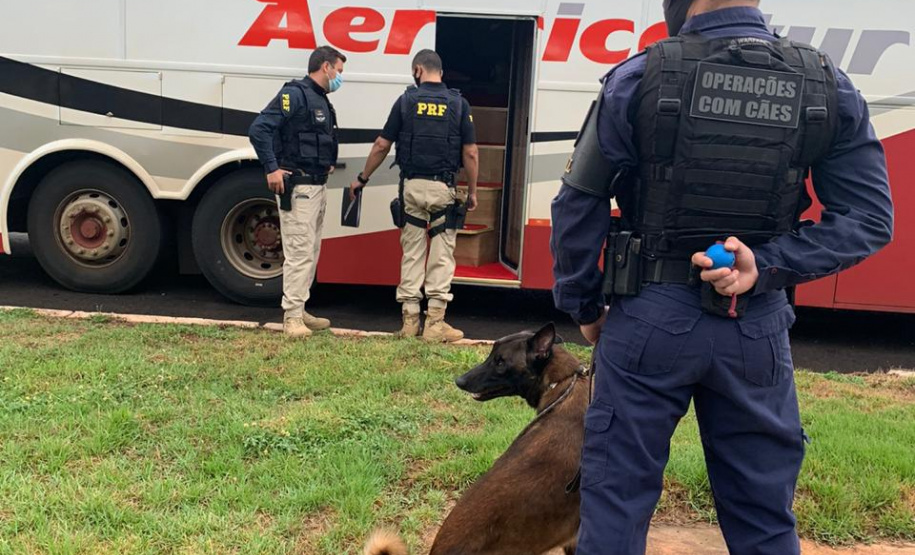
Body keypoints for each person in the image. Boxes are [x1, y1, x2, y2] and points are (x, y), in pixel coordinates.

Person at [550, 1, 894, 553]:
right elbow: (870, 219)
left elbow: (577, 205)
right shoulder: (824, 83)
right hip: (755, 327)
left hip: (646, 318)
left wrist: (585, 309)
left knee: (615, 504)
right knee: (763, 517)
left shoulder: (639, 75)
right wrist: (768, 265)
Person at [350, 49, 479, 342]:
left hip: (411, 187)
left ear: (417, 70)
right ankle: (434, 324)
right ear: (440, 73)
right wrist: (471, 191)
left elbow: (382, 144)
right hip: (442, 188)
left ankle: (409, 322)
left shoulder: (406, 101)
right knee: (441, 254)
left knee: (412, 252)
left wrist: (362, 178)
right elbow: (470, 152)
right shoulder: (458, 104)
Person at [249, 46, 346, 338]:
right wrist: (271, 168)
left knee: (311, 251)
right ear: (326, 67)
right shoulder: (296, 95)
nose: (340, 77)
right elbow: (259, 129)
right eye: (339, 71)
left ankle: (300, 309)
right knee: (299, 252)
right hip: (300, 187)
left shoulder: (321, 100)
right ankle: (291, 318)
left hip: (317, 184)